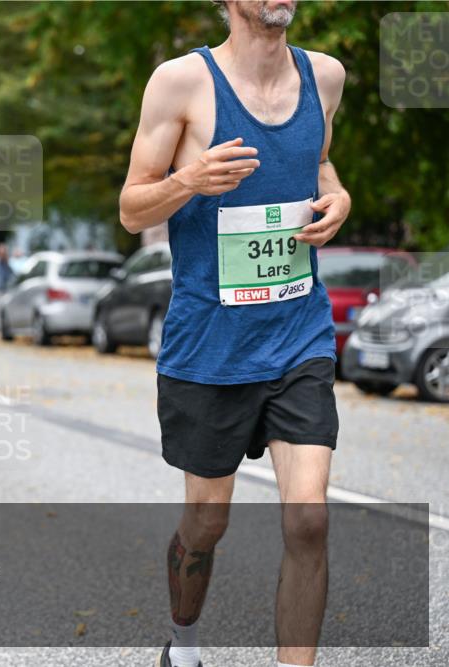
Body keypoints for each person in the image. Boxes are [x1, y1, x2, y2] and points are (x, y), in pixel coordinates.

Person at [117, 2, 350, 667]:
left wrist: (340, 197)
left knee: (308, 518)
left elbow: (321, 164)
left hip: (299, 329)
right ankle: (183, 645)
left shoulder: (325, 76)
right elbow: (132, 206)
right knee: (207, 523)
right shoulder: (180, 83)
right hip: (211, 343)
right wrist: (188, 180)